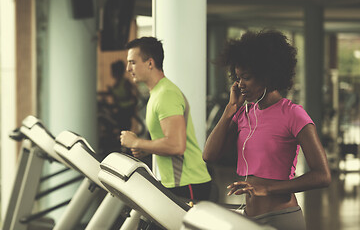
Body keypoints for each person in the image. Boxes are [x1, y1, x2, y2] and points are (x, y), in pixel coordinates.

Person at [203, 29, 331, 230]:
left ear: (267, 76)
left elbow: (322, 175)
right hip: (248, 216)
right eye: (237, 78)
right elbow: (209, 155)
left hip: (281, 218)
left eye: (247, 77)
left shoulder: (293, 114)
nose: (240, 84)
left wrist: (268, 188)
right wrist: (230, 110)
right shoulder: (243, 113)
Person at [120, 37, 212, 201]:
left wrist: (136, 142)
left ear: (150, 63)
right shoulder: (157, 93)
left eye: (132, 62)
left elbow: (176, 145)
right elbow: (166, 142)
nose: (128, 68)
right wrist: (146, 147)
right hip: (177, 183)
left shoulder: (166, 95)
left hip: (189, 183)